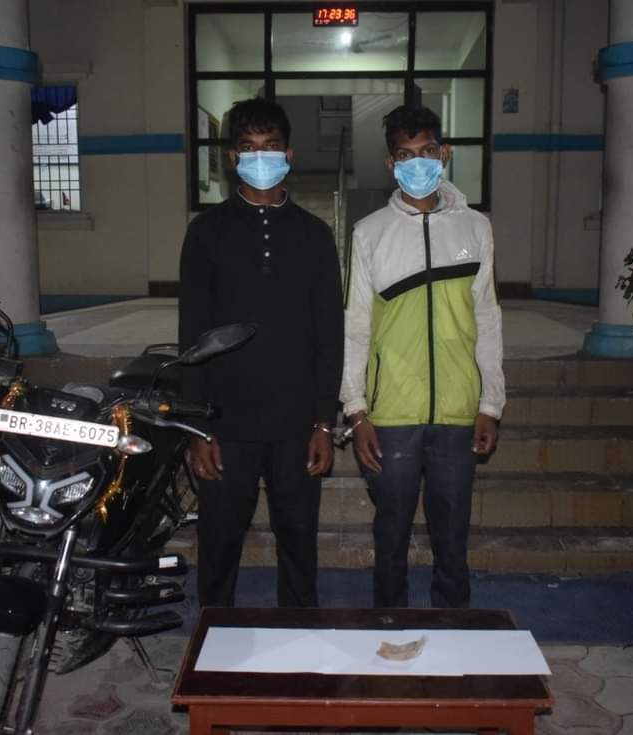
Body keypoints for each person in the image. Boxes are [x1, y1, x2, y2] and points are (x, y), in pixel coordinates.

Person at [178, 97, 344, 608]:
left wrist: (323, 422)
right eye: (249, 147)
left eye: (270, 146)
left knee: (299, 541)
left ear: (288, 154)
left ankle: (299, 632)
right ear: (232, 158)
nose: (261, 157)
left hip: (296, 423)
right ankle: (213, 635)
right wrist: (198, 428)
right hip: (226, 423)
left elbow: (329, 335)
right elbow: (192, 335)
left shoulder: (315, 236)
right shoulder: (206, 233)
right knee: (219, 543)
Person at [340, 104, 505, 609]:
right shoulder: (370, 232)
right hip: (391, 415)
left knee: (452, 532)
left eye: (428, 151)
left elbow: (488, 317)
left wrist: (490, 404)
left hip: (458, 411)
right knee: (390, 531)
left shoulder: (475, 228)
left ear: (445, 153)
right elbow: (356, 325)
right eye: (406, 154)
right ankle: (389, 620)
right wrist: (356, 410)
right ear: (391, 163)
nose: (418, 163)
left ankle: (452, 624)